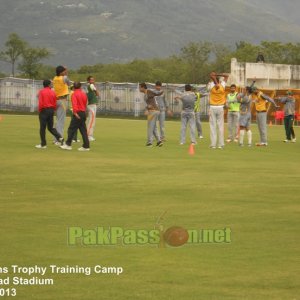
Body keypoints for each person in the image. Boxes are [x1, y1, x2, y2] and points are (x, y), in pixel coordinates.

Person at [60, 82, 90, 151]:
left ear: (74, 87)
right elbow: (85, 104)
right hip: (83, 113)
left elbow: (74, 104)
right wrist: (85, 113)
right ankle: (86, 146)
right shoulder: (84, 94)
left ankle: (68, 144)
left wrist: (75, 113)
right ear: (80, 87)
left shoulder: (74, 94)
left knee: (71, 129)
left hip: (77, 113)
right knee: (83, 130)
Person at [35, 80, 64, 149]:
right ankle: (60, 137)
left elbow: (40, 102)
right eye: (51, 84)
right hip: (51, 110)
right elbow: (54, 102)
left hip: (44, 110)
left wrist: (40, 110)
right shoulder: (53, 92)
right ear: (48, 85)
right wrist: (53, 110)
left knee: (42, 128)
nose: (52, 85)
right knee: (50, 127)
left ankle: (43, 144)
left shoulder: (41, 91)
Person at [139, 82, 163, 147]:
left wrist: (161, 90)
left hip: (153, 111)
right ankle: (159, 141)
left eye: (140, 87)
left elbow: (157, 93)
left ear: (143, 87)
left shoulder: (149, 91)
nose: (139, 89)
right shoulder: (145, 94)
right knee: (154, 127)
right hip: (153, 111)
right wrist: (147, 109)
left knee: (150, 127)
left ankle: (150, 142)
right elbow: (149, 104)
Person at [53, 65, 71, 145]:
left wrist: (65, 71)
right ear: (61, 72)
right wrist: (66, 71)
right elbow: (69, 83)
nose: (65, 72)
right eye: (64, 71)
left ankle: (56, 138)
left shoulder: (55, 78)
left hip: (56, 100)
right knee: (61, 121)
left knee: (57, 120)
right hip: (62, 100)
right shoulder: (64, 78)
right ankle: (58, 139)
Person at [207, 72, 226, 149]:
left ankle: (213, 144)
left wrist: (213, 77)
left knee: (213, 126)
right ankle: (220, 144)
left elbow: (216, 85)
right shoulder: (223, 85)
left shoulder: (211, 85)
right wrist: (217, 75)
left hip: (213, 107)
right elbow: (226, 76)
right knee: (220, 126)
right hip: (220, 107)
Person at [86, 75, 100, 142]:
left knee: (92, 121)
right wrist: (95, 87)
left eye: (93, 80)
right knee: (91, 121)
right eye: (91, 80)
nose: (93, 81)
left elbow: (96, 94)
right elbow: (97, 93)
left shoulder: (91, 85)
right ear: (88, 81)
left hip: (93, 105)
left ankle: (90, 135)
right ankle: (88, 136)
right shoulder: (90, 85)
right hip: (91, 105)